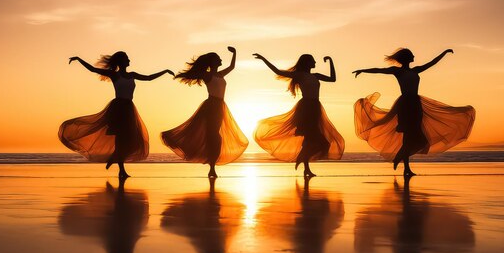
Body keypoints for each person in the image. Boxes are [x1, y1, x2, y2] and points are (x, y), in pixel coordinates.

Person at [353, 48, 475, 176]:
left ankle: (400, 157)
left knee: (419, 139)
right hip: (405, 105)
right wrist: (362, 70)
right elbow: (379, 70)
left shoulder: (415, 70)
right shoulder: (397, 71)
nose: (414, 55)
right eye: (412, 55)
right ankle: (406, 167)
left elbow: (432, 63)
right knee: (407, 138)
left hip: (416, 104)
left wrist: (444, 53)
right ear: (406, 58)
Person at [59, 52, 173, 178]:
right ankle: (121, 170)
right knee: (120, 140)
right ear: (121, 62)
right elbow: (93, 69)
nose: (129, 60)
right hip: (118, 109)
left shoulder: (132, 75)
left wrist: (166, 71)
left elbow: (149, 77)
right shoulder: (114, 75)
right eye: (127, 58)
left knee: (132, 140)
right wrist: (78, 59)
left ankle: (114, 157)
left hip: (129, 109)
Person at [161, 47, 248, 178]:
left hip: (220, 106)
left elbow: (232, 67)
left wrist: (235, 53)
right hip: (211, 106)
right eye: (218, 58)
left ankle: (212, 167)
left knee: (216, 136)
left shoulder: (220, 74)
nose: (220, 60)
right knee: (212, 135)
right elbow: (195, 73)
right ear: (212, 62)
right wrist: (182, 75)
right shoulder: (207, 75)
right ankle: (212, 168)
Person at [253, 53, 344, 177]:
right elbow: (277, 71)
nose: (315, 62)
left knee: (310, 140)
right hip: (306, 108)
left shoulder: (315, 75)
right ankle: (303, 159)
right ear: (307, 62)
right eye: (313, 60)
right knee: (318, 140)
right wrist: (263, 59)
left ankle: (305, 166)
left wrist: (331, 61)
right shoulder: (299, 75)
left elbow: (333, 79)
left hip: (315, 107)